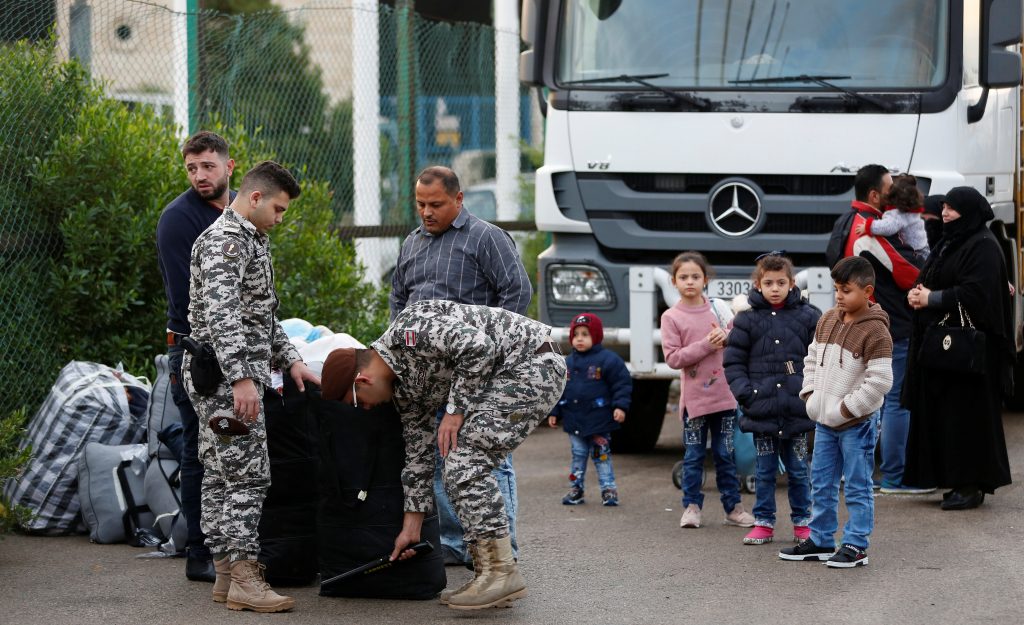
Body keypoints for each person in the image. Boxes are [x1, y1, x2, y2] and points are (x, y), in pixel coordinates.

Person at [321, 299, 567, 610]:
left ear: (362, 381)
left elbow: (479, 346)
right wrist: (411, 527)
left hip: (531, 362)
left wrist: (455, 410)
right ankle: (489, 574)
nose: (367, 409)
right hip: (504, 375)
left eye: (358, 403)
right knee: (456, 463)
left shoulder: (409, 331)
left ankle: (501, 572)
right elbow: (418, 456)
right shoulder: (403, 393)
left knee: (466, 461)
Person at [183, 161, 320, 613]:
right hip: (226, 378)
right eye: (278, 209)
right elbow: (223, 316)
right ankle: (244, 576)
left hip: (221, 374)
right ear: (255, 197)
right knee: (248, 475)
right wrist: (242, 378)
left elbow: (261, 315)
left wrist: (291, 359)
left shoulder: (250, 238)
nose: (280, 218)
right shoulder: (226, 242)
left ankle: (226, 574)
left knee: (220, 473)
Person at [390, 165, 532, 567]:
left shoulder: (486, 237)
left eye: (435, 204)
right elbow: (399, 299)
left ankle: (502, 549)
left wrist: (494, 354)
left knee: (487, 459)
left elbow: (517, 291)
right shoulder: (412, 242)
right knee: (440, 457)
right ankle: (456, 543)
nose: (426, 212)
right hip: (428, 376)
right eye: (420, 204)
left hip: (477, 371)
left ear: (458, 199)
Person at [156, 130, 235, 582]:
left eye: (207, 166)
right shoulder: (177, 220)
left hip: (237, 347)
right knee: (199, 449)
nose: (199, 176)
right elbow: (188, 300)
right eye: (191, 168)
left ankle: (236, 547)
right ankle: (200, 553)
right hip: (194, 350)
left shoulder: (241, 208)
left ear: (228, 166)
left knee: (235, 447)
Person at [903, 187, 1013, 510]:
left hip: (970, 356)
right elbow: (936, 276)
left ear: (970, 212)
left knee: (968, 420)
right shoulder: (953, 242)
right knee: (950, 419)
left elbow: (977, 294)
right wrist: (918, 293)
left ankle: (971, 485)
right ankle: (956, 481)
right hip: (948, 353)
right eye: (945, 207)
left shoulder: (983, 246)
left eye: (952, 209)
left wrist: (931, 299)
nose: (945, 214)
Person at [779, 256, 893, 568]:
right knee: (821, 481)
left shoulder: (876, 331)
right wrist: (811, 395)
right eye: (836, 289)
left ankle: (856, 544)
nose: (839, 296)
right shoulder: (828, 319)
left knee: (857, 485)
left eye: (846, 290)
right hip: (825, 422)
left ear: (867, 292)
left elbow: (880, 381)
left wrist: (845, 409)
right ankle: (821, 539)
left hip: (858, 423)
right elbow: (811, 359)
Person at [832, 164, 930, 494]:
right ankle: (894, 477)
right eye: (889, 189)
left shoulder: (844, 222)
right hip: (889, 325)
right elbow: (907, 272)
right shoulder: (869, 231)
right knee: (895, 402)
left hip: (852, 325)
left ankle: (853, 473)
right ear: (875, 195)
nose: (895, 195)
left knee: (856, 398)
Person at [724, 253, 820, 545]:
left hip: (798, 409)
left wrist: (812, 392)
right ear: (758, 284)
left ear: (792, 284)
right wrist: (747, 394)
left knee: (799, 471)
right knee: (764, 471)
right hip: (762, 409)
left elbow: (820, 357)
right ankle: (764, 522)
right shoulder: (746, 320)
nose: (775, 288)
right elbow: (734, 361)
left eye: (781, 282)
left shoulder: (809, 316)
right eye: (768, 283)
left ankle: (803, 522)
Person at [661, 251, 754, 530]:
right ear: (674, 281)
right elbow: (673, 358)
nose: (689, 281)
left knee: (726, 455)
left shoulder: (718, 309)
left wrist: (727, 336)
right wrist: (707, 345)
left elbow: (737, 337)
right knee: (694, 456)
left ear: (706, 279)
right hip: (694, 403)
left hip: (724, 399)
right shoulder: (671, 317)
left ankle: (733, 509)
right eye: (683, 277)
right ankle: (691, 507)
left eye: (695, 276)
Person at [547, 312, 632, 507]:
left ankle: (609, 490)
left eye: (585, 334)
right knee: (578, 455)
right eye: (576, 335)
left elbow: (622, 384)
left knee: (601, 456)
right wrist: (554, 412)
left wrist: (620, 406)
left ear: (596, 336)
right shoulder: (567, 363)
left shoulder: (608, 360)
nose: (579, 339)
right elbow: (559, 390)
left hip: (599, 421)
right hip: (574, 420)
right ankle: (576, 489)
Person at [854, 174, 929, 260]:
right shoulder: (911, 211)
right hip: (923, 248)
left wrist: (869, 226)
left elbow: (887, 226)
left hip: (916, 253)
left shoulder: (899, 215)